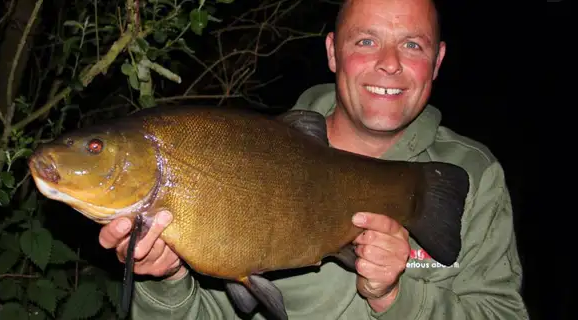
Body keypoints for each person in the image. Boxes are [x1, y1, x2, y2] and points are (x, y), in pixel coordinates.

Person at [98, 0, 529, 318]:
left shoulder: (473, 173)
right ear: (332, 52)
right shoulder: (244, 159)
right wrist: (166, 281)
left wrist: (397, 298)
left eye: (412, 45)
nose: (389, 64)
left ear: (436, 61)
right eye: (366, 41)